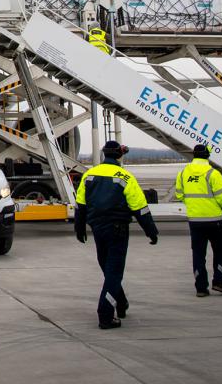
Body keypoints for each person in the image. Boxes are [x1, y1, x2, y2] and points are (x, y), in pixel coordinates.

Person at [75, 140, 159, 329]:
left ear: (104, 154)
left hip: (97, 228)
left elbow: (80, 205)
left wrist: (79, 229)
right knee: (114, 272)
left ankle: (120, 303)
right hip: (117, 229)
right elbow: (140, 208)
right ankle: (105, 314)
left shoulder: (89, 174)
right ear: (119, 155)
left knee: (107, 267)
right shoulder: (126, 177)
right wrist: (151, 232)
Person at [174, 144, 222, 296]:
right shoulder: (213, 173)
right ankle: (219, 282)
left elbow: (179, 194)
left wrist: (193, 205)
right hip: (214, 220)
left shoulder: (183, 173)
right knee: (221, 252)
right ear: (207, 156)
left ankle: (201, 288)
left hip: (195, 221)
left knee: (198, 254)